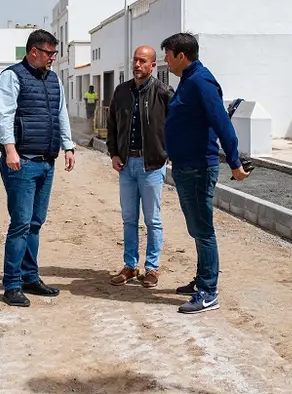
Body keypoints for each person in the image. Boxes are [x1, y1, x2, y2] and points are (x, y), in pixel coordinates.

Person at [161, 32, 250, 314]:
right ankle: (201, 280)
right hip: (186, 166)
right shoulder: (188, 80)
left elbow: (222, 123)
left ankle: (208, 292)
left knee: (204, 230)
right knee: (196, 229)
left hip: (199, 167)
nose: (165, 60)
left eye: (168, 54)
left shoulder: (201, 81)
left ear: (181, 56)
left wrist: (234, 162)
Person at [0, 29, 76, 307]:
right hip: (22, 161)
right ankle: (12, 284)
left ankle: (30, 277)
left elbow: (60, 112)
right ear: (33, 52)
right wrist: (9, 149)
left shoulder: (53, 79)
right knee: (20, 224)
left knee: (35, 223)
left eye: (54, 53)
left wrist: (68, 145)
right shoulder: (12, 76)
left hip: (46, 162)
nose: (53, 58)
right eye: (49, 53)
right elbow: (5, 114)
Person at [107, 46, 172, 288]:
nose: (137, 65)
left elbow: (176, 124)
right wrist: (113, 153)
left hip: (152, 165)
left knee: (153, 219)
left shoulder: (163, 92)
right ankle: (130, 266)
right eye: (134, 60)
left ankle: (152, 268)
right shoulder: (121, 91)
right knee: (128, 218)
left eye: (142, 61)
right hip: (126, 165)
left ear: (152, 65)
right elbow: (113, 124)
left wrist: (170, 151)